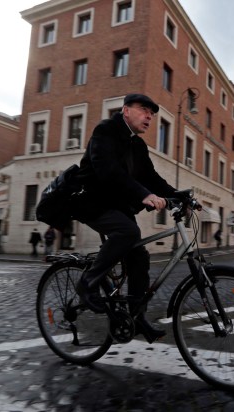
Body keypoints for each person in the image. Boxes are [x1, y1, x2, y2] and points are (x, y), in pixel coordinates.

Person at [73, 93, 176, 342]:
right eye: (144, 110)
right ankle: (87, 283)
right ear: (126, 110)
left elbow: (151, 178)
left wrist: (180, 196)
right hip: (92, 202)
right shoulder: (106, 130)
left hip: (117, 207)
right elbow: (108, 171)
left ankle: (136, 317)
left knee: (139, 256)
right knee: (127, 233)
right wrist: (143, 195)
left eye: (152, 113)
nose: (149, 116)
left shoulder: (137, 145)